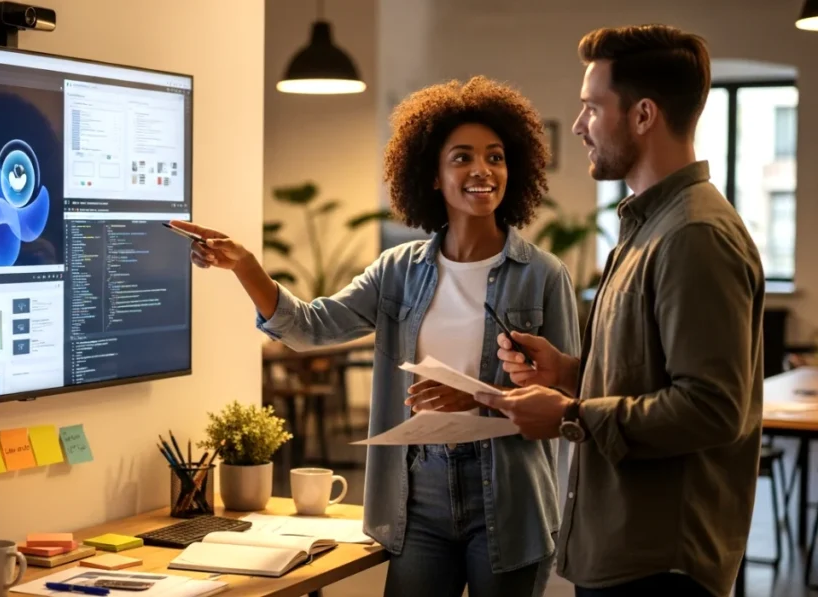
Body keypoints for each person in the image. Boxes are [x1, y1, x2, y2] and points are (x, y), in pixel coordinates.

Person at [170, 75, 580, 597]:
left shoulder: (544, 275)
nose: (482, 170)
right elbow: (311, 327)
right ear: (431, 175)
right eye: (462, 157)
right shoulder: (398, 271)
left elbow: (568, 398)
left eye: (495, 157)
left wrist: (479, 399)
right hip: (418, 493)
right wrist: (245, 266)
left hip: (510, 492)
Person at [485, 24, 765, 597]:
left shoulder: (694, 235)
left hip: (660, 563)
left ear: (642, 115)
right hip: (627, 549)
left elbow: (712, 408)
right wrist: (568, 371)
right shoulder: (651, 226)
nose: (581, 125)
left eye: (592, 107)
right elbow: (652, 371)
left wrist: (570, 415)